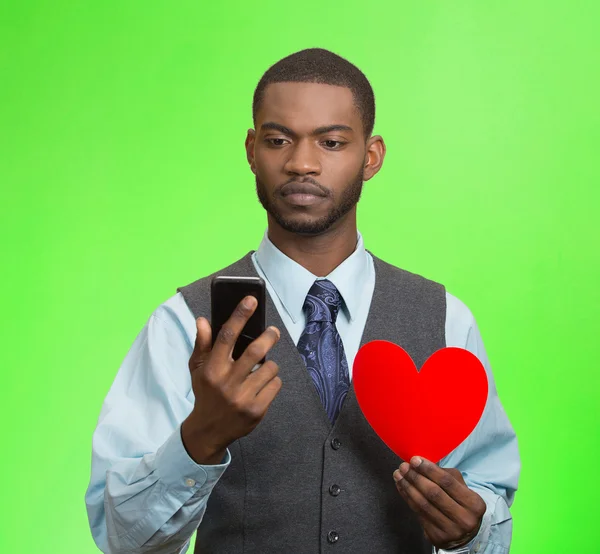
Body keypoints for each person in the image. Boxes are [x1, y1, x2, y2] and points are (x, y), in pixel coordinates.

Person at [85, 48, 520, 554]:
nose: (302, 163)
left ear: (372, 156)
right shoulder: (184, 323)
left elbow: (490, 503)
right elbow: (122, 539)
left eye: (331, 142)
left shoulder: (445, 319)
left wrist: (472, 530)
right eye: (277, 140)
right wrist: (199, 441)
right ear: (251, 149)